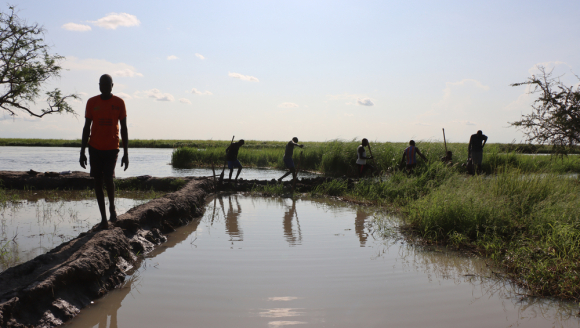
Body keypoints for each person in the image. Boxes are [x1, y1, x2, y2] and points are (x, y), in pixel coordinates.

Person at [80, 74, 129, 229]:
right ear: (99, 85)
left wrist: (126, 153)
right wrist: (82, 151)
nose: (104, 87)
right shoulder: (92, 102)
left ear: (112, 86)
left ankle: (112, 208)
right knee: (97, 181)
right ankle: (103, 219)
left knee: (108, 178)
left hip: (112, 147)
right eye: (102, 84)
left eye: (107, 85)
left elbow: (124, 128)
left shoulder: (119, 103)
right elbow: (86, 127)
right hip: (94, 147)